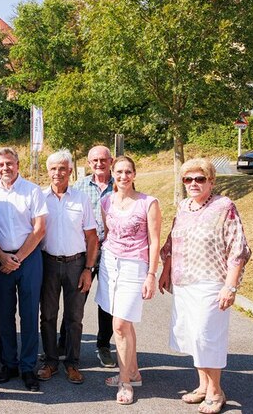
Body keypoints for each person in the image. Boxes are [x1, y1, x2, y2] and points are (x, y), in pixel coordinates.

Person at [158, 158, 251, 414]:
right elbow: (172, 242)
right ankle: (202, 386)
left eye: (200, 179)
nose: (193, 184)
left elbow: (238, 248)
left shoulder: (224, 206)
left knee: (206, 335)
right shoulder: (184, 206)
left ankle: (216, 391)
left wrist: (230, 286)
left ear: (211, 180)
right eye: (188, 179)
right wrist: (165, 271)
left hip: (212, 281)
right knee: (192, 336)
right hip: (184, 281)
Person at [95, 156, 161, 405]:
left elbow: (154, 241)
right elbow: (107, 234)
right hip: (110, 264)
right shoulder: (106, 202)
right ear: (113, 172)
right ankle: (133, 372)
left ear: (134, 174)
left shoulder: (148, 203)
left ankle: (125, 382)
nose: (123, 176)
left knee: (120, 325)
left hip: (135, 266)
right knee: (124, 322)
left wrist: (151, 275)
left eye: (128, 172)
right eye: (119, 172)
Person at [0, 147, 47, 392]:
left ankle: (28, 367)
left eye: (9, 163)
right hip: (0, 258)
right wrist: (2, 256)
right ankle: (9, 364)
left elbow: (40, 228)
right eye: (0, 165)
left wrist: (18, 258)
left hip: (29, 259)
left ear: (18, 164)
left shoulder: (32, 190)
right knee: (4, 314)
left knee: (30, 314)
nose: (5, 169)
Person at [38, 150, 98, 386]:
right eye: (53, 168)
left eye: (62, 168)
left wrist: (88, 269)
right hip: (48, 264)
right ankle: (51, 361)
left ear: (70, 171)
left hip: (76, 264)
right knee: (48, 316)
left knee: (75, 317)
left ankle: (72, 363)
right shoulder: (40, 197)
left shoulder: (81, 198)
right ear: (48, 171)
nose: (57, 173)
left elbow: (92, 238)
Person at [72, 145, 116, 368]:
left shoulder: (120, 184)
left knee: (107, 302)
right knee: (76, 299)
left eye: (103, 160)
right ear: (89, 163)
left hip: (111, 252)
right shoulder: (79, 186)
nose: (99, 164)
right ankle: (66, 344)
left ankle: (103, 346)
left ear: (111, 161)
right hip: (85, 250)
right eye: (94, 160)